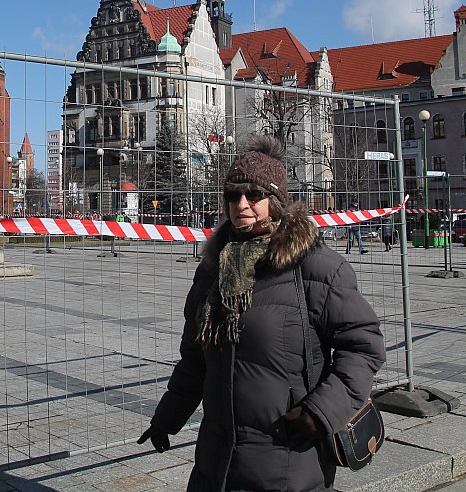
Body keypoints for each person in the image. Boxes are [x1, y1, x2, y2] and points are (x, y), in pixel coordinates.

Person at [138, 136, 385, 491]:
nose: (242, 204)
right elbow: (195, 359)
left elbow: (363, 348)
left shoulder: (315, 267)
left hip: (288, 458)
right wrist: (167, 418)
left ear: (277, 202)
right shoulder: (213, 270)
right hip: (216, 461)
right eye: (233, 195)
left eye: (254, 195)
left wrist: (320, 412)